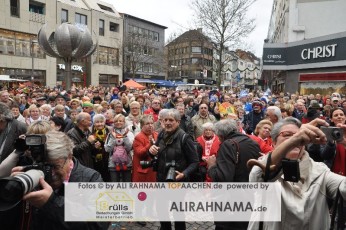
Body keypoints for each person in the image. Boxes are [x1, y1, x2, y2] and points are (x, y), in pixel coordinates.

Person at [247, 117, 346, 229]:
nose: (296, 139)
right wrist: (295, 139)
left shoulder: (320, 171)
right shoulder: (261, 165)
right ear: (274, 142)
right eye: (287, 135)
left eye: (300, 136)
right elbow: (260, 176)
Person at [4, 131, 106, 230]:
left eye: (55, 166)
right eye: (44, 166)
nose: (50, 173)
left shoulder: (91, 177)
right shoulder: (32, 174)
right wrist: (15, 188)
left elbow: (100, 223)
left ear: (69, 157)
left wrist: (51, 202)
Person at [206, 118, 261, 230]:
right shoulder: (252, 142)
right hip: (250, 196)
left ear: (220, 135)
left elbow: (223, 178)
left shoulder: (228, 144)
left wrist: (211, 166)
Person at [149, 108, 199, 230]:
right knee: (161, 208)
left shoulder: (184, 138)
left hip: (177, 181)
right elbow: (155, 151)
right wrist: (151, 151)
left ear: (178, 121)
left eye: (171, 120)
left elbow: (195, 162)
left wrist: (184, 173)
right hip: (161, 179)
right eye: (165, 120)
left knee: (178, 212)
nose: (167, 123)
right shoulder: (161, 134)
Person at [104, 114, 134, 182]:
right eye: (116, 121)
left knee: (127, 186)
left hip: (127, 163)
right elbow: (107, 149)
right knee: (115, 187)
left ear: (124, 122)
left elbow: (130, 148)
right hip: (113, 165)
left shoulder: (129, 133)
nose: (118, 122)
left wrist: (125, 137)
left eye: (120, 121)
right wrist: (114, 138)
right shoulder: (110, 134)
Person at [132, 114, 158, 182]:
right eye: (147, 123)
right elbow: (140, 153)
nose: (150, 125)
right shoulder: (138, 137)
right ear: (142, 126)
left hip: (154, 170)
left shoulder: (156, 134)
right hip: (143, 171)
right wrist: (150, 144)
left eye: (152, 123)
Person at [91, 114, 110, 182]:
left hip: (107, 160)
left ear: (104, 122)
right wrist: (94, 147)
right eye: (97, 122)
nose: (99, 124)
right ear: (94, 123)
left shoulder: (109, 131)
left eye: (101, 122)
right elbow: (88, 148)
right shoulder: (90, 132)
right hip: (95, 161)